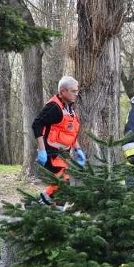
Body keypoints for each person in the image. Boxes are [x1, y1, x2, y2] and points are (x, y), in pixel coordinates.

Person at [32, 75, 85, 205]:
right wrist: (41, 150)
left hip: (62, 154)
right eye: (73, 91)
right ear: (63, 92)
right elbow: (37, 124)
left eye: (76, 91)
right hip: (50, 152)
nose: (76, 94)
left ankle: (45, 206)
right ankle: (44, 202)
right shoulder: (54, 107)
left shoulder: (69, 108)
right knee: (62, 182)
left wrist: (78, 149)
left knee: (61, 185)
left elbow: (71, 132)